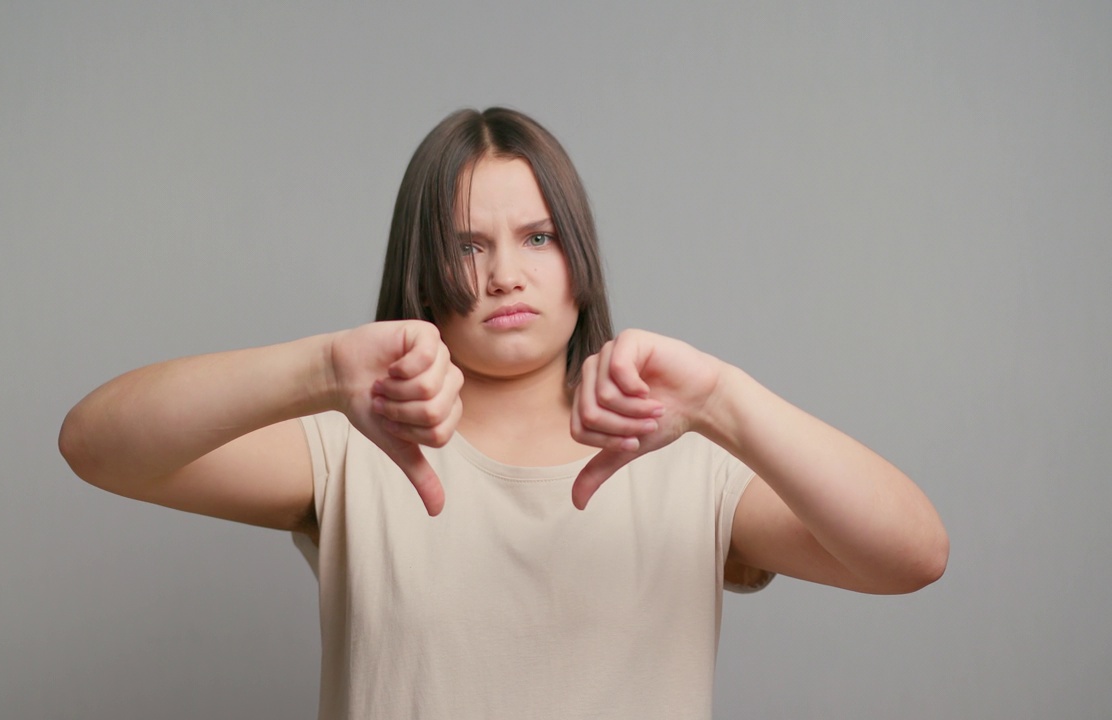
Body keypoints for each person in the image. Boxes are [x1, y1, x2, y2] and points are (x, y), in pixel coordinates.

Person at [59, 107, 948, 719]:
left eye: (538, 237)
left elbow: (913, 555)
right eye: (466, 245)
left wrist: (723, 400)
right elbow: (97, 446)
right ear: (424, 265)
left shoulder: (685, 456)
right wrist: (324, 368)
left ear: (579, 253)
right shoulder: (351, 446)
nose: (505, 275)